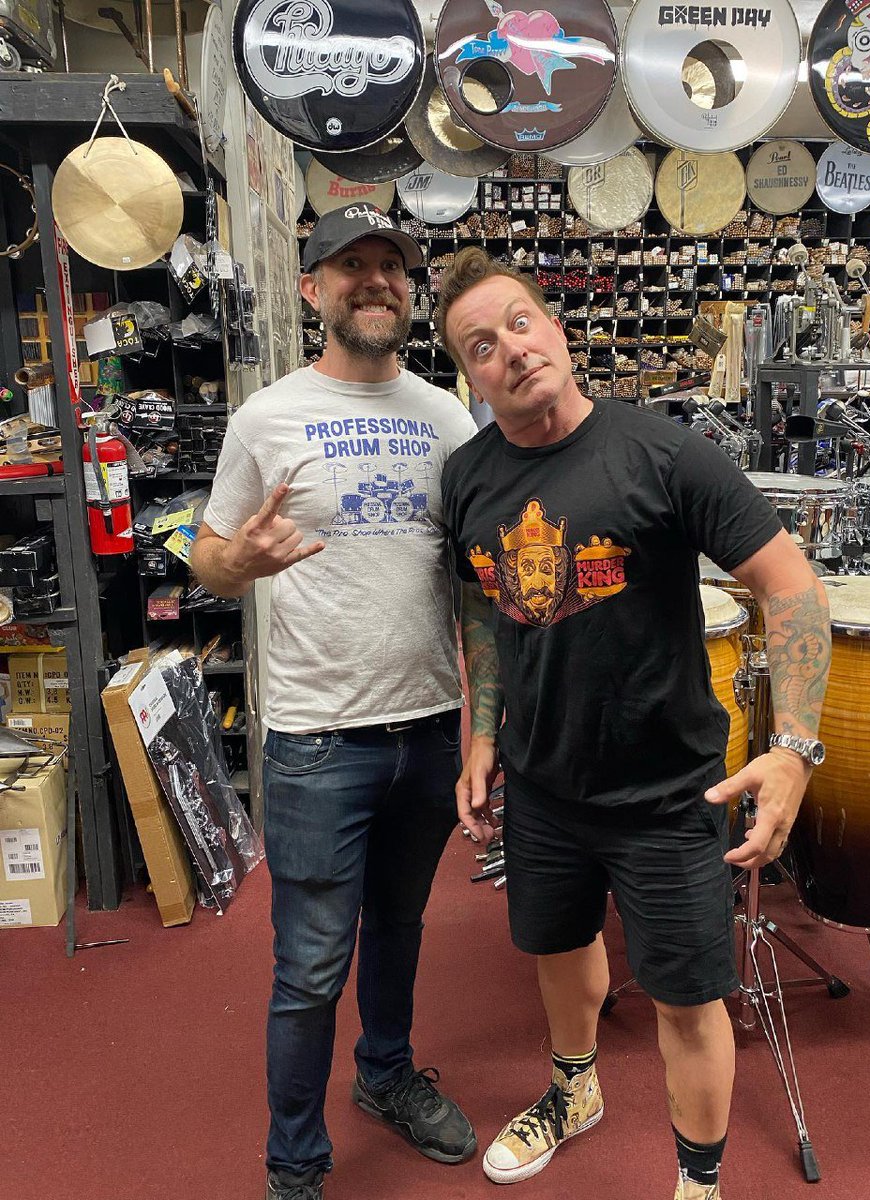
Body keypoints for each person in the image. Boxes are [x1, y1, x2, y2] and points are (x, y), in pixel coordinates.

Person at [435, 247, 831, 1200]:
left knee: (691, 1000)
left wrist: (795, 750)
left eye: (520, 323)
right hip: (542, 784)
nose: (511, 351)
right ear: (471, 377)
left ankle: (699, 1182)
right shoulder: (466, 477)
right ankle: (575, 1095)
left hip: (666, 791)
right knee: (560, 954)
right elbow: (482, 612)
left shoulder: (666, 452)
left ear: (557, 331)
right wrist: (479, 736)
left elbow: (794, 590)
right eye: (481, 346)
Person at [191, 205, 478, 1200]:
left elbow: (471, 582)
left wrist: (480, 722)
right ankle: (296, 1165)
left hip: (429, 726)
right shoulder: (265, 417)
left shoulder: (449, 417)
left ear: (410, 292)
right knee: (311, 965)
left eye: (391, 268)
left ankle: (386, 1075)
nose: (375, 282)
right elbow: (208, 561)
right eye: (351, 266)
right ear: (313, 289)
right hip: (318, 739)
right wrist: (238, 560)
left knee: (401, 925)